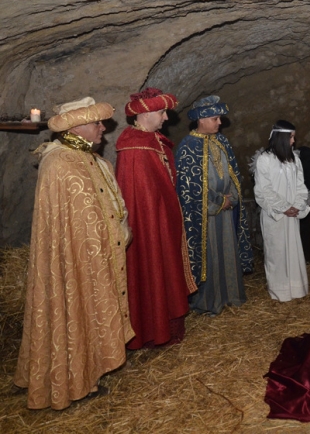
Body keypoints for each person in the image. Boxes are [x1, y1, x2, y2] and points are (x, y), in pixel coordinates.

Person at [14, 97, 134, 410]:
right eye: (97, 123)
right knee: (71, 312)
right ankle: (72, 380)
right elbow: (61, 227)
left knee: (89, 313)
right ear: (78, 126)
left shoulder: (88, 158)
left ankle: (90, 371)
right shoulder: (59, 164)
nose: (103, 129)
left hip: (93, 258)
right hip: (71, 263)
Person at [116, 88, 197, 348]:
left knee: (165, 268)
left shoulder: (153, 141)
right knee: (150, 267)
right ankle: (153, 329)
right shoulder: (134, 147)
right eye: (162, 112)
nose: (165, 118)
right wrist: (155, 222)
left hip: (162, 220)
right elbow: (140, 198)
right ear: (146, 113)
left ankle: (167, 324)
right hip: (149, 224)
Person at [175, 95, 254, 315]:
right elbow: (190, 188)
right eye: (215, 118)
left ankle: (230, 295)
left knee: (228, 252)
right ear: (201, 119)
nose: (219, 123)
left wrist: (232, 198)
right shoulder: (188, 147)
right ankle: (210, 301)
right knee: (210, 255)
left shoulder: (222, 141)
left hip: (226, 213)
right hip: (205, 216)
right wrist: (219, 202)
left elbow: (233, 174)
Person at [253, 120, 310, 302]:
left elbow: (301, 186)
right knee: (277, 254)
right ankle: (280, 293)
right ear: (282, 138)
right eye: (291, 137)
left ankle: (296, 290)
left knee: (293, 252)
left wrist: (297, 205)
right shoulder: (265, 160)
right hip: (275, 215)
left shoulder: (295, 160)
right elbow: (263, 190)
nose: (294, 141)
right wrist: (284, 207)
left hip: (292, 214)